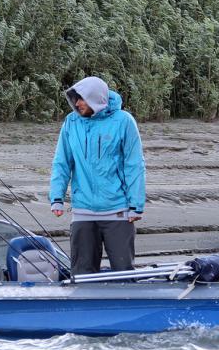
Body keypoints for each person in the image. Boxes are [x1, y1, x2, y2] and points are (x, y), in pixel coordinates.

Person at [49, 76, 146, 275]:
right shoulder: (71, 122)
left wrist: (136, 205)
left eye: (81, 99)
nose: (77, 103)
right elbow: (62, 162)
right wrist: (56, 197)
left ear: (96, 98)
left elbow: (134, 165)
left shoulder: (124, 121)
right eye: (75, 98)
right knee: (81, 275)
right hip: (82, 211)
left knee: (124, 274)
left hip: (118, 212)